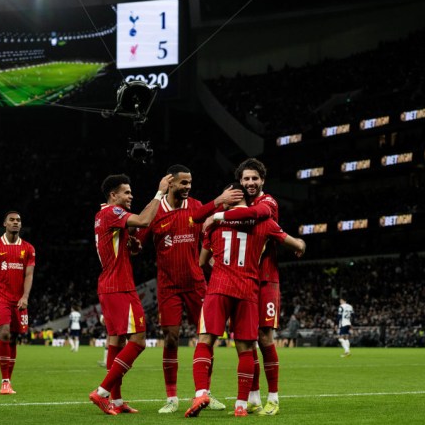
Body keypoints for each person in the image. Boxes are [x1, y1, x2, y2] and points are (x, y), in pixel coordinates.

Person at [185, 183, 306, 418]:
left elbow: (201, 261)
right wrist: (300, 245)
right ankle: (241, 405)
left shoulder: (215, 222)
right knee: (246, 348)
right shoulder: (263, 222)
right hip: (248, 291)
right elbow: (293, 242)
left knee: (205, 340)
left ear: (231, 196)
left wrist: (220, 262)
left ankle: (201, 393)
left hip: (219, 287)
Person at [134, 164, 241, 414]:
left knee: (207, 337)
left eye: (190, 182)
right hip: (168, 285)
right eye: (183, 183)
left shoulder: (196, 205)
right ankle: (171, 397)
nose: (188, 187)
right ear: (169, 183)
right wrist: (133, 244)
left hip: (196, 283)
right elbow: (138, 241)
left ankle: (204, 392)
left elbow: (203, 217)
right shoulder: (156, 210)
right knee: (170, 338)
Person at [88, 173, 172, 416]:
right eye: (126, 192)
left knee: (117, 341)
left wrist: (130, 243)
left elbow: (130, 234)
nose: (131, 195)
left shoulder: (103, 215)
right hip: (120, 287)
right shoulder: (112, 213)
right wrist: (160, 193)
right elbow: (145, 221)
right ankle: (102, 392)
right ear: (113, 195)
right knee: (139, 341)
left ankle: (116, 400)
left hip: (109, 285)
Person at [205, 158, 280, 415]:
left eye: (254, 179)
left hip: (266, 279)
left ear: (262, 180)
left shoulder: (266, 203)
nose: (250, 183)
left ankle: (274, 399)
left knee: (264, 338)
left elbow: (257, 215)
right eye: (246, 179)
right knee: (248, 341)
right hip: (244, 282)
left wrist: (217, 215)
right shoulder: (241, 206)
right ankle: (254, 398)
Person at [0, 210, 36, 395]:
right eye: (11, 220)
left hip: (19, 299)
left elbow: (29, 275)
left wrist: (25, 297)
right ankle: (4, 382)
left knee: (14, 338)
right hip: (0, 296)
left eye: (18, 220)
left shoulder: (28, 248)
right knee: (4, 334)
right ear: (5, 224)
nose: (15, 222)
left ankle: (9, 381)